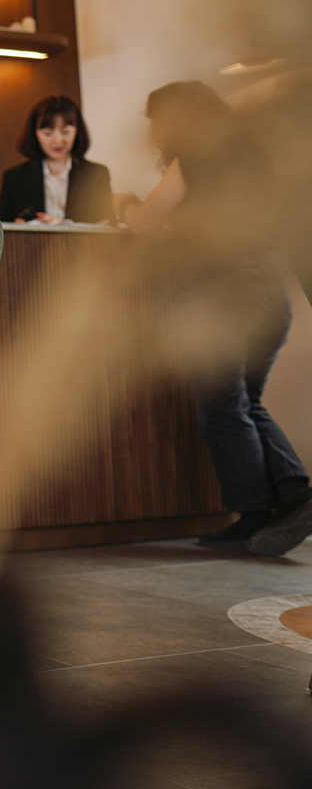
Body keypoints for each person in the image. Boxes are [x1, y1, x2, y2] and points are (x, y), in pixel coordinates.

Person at [119, 80, 312, 556]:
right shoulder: (252, 159)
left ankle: (253, 516)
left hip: (228, 295)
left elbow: (144, 221)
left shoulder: (196, 159)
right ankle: (293, 493)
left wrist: (124, 204)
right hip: (270, 295)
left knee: (223, 408)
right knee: (243, 401)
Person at [0, 95, 114, 224]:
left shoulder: (96, 174)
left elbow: (107, 225)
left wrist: (62, 225)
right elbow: (2, 230)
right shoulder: (14, 177)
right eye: (47, 133)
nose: (57, 141)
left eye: (65, 132)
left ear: (77, 131)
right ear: (35, 133)